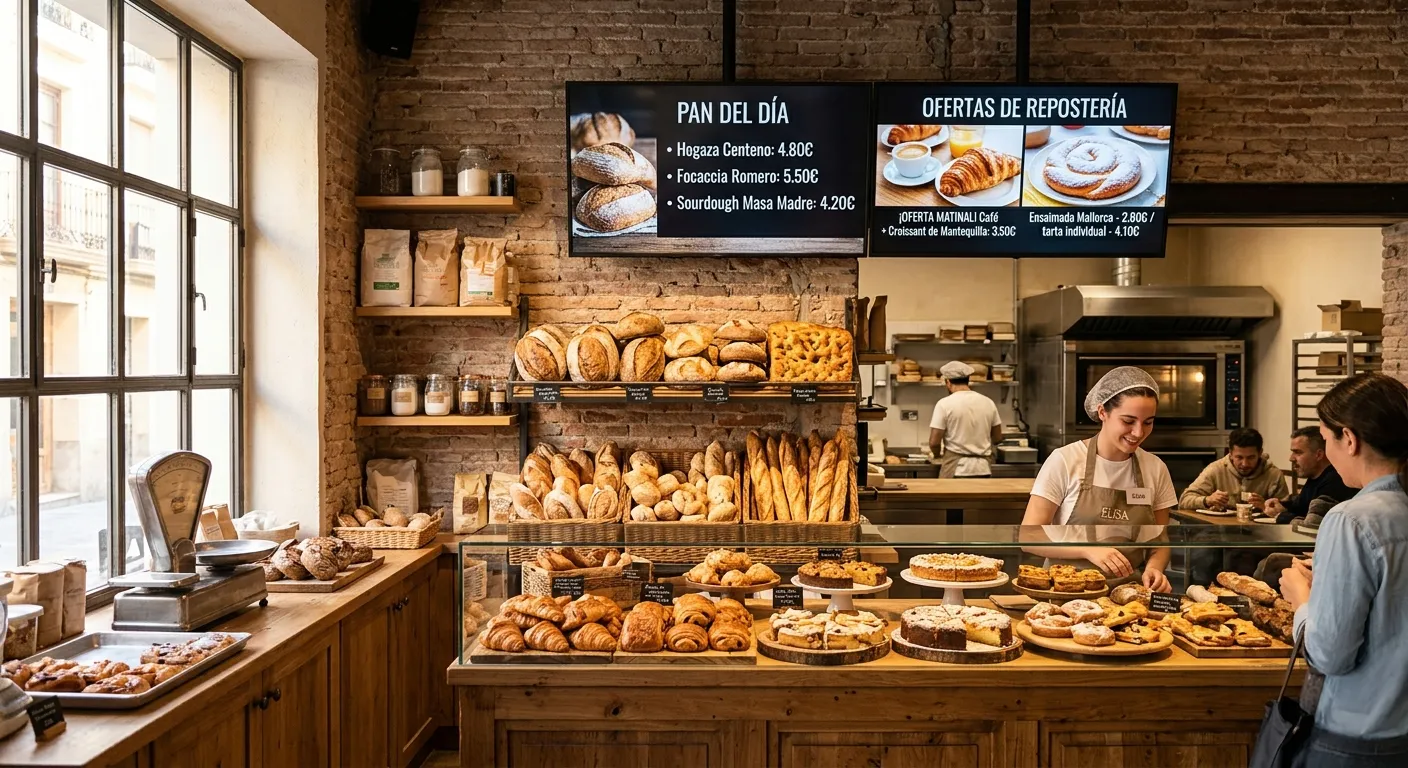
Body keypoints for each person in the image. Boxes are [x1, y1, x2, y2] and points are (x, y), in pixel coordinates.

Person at [1273, 373, 1408, 766]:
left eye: (1325, 439)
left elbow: (1330, 654)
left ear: (1349, 439)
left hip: (1359, 733)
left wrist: (1303, 599)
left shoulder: (1350, 519)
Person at [1020, 366, 1176, 592]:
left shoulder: (1155, 468)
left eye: (1148, 422)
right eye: (1128, 421)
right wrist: (1087, 549)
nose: (1138, 432)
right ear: (1103, 412)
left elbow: (1159, 541)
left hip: (1130, 595)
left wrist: (1155, 569)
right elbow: (1029, 536)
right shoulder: (1065, 460)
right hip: (1068, 591)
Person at [1178, 427, 1290, 512]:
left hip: (1261, 532)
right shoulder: (1215, 470)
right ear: (1230, 453)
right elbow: (1184, 501)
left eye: (1251, 458)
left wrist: (1265, 506)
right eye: (1239, 457)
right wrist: (1207, 500)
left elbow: (1286, 512)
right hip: (1219, 531)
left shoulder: (1274, 475)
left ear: (1260, 453)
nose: (1245, 464)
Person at [928, 361, 1002, 478]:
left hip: (956, 469)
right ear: (968, 380)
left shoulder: (944, 404)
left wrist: (937, 455)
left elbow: (934, 442)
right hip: (983, 469)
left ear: (948, 382)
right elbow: (997, 437)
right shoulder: (988, 402)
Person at [1266, 425, 1353, 524]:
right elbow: (1299, 507)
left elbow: (1313, 525)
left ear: (1318, 455)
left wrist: (1281, 515)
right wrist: (1279, 505)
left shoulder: (1334, 482)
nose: (1291, 458)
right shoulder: (1314, 477)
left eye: (1298, 452)